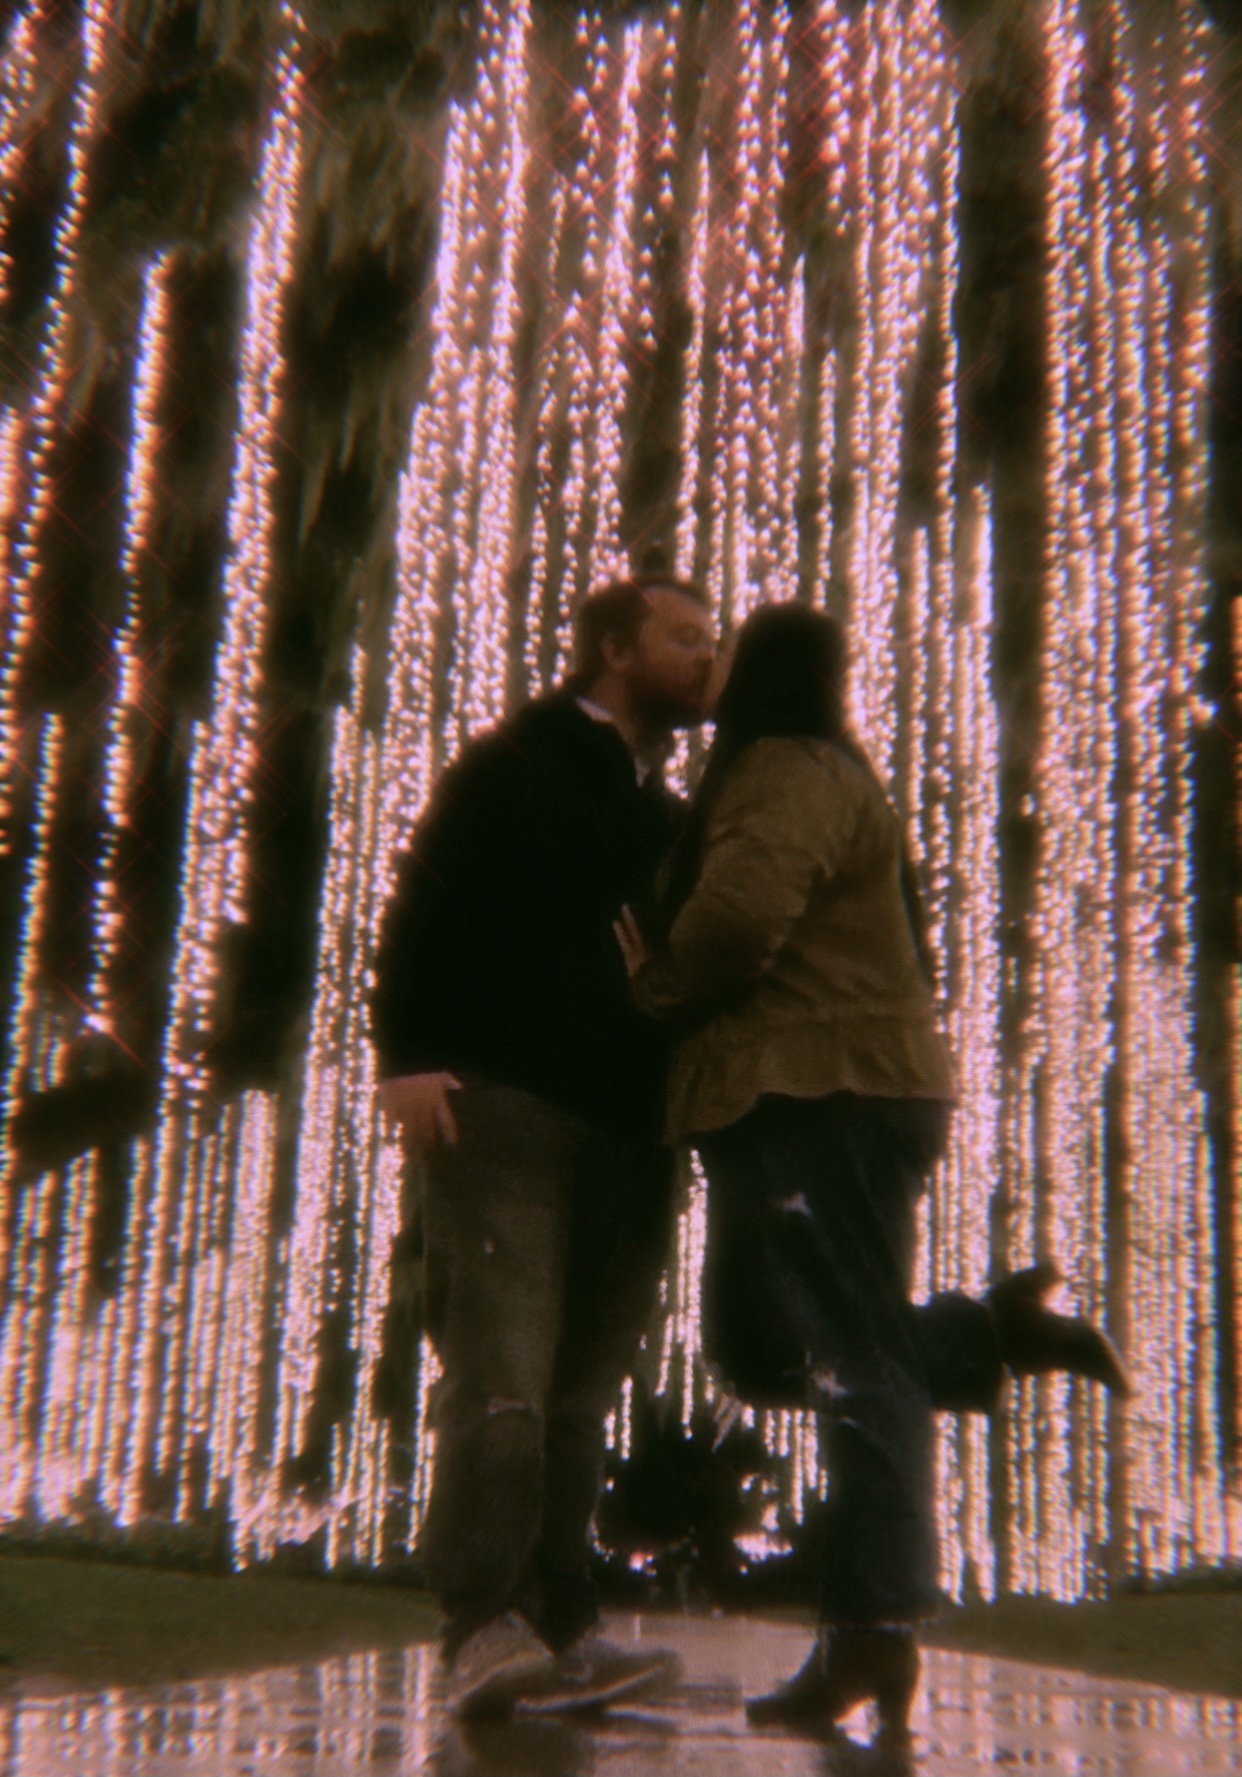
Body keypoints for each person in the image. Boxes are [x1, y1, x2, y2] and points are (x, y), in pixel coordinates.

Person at [616, 601, 1131, 1750]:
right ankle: (990, 1335)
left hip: (822, 1096)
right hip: (809, 1097)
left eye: (725, 649)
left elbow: (738, 921)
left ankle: (873, 1632)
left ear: (762, 674)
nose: (712, 665)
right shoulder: (805, 771)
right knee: (759, 1345)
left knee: (854, 1363)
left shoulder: (786, 768)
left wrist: (657, 987)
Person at [371, 574, 720, 1720]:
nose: (706, 657)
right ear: (615, 647)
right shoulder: (516, 760)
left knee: (577, 1395)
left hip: (632, 1129)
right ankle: (481, 1623)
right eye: (684, 636)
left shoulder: (665, 811)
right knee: (504, 1380)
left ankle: (561, 1626)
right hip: (508, 1108)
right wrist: (408, 1053)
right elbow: (425, 897)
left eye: (714, 640)